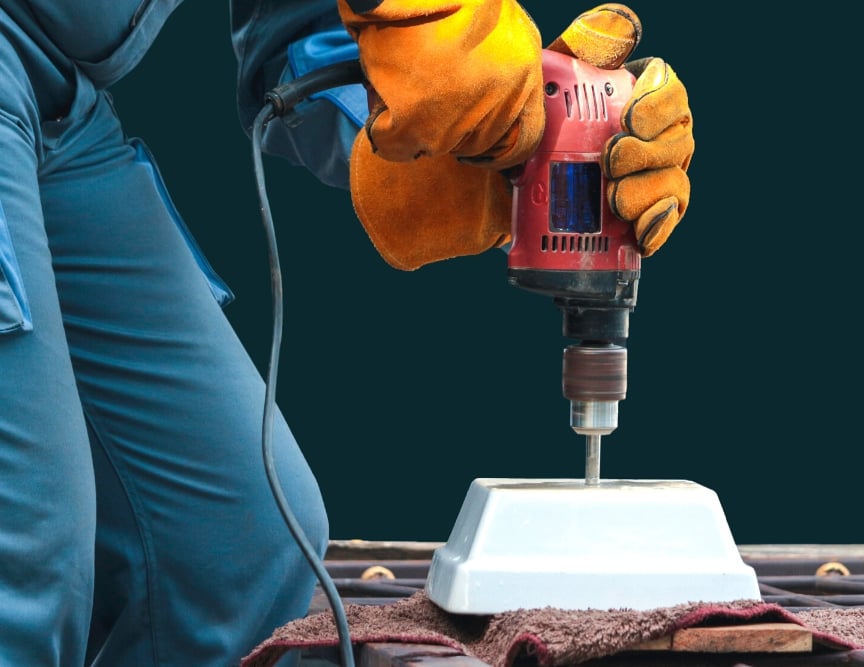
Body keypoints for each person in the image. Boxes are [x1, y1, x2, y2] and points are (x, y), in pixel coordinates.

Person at [0, 0, 691, 665]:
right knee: (29, 552)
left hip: (58, 97)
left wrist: (456, 142)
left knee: (235, 548)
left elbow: (302, 33)